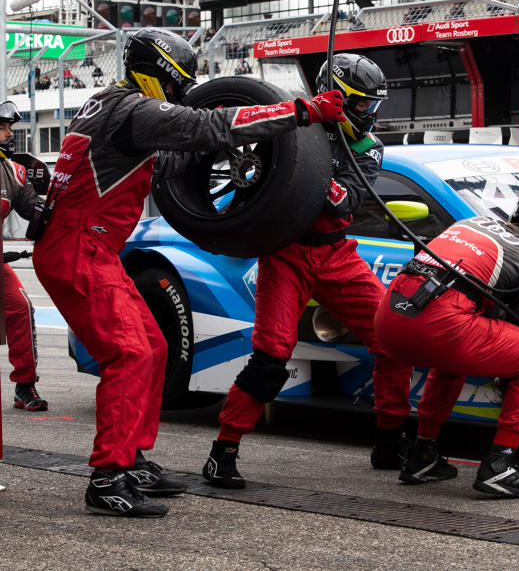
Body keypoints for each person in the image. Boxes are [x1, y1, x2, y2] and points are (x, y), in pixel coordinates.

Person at [32, 28, 345, 518]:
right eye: (179, 83)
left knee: (155, 347)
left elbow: (176, 159)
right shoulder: (134, 110)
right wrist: (300, 112)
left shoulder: (109, 106)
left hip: (87, 247)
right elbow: (210, 126)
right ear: (160, 74)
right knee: (131, 353)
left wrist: (233, 153)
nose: (182, 92)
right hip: (77, 249)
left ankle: (132, 457)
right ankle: (108, 476)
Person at [201, 53, 416, 489]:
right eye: (360, 105)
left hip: (337, 253)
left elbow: (346, 201)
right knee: (271, 358)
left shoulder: (368, 147)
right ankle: (223, 451)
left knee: (394, 338)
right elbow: (250, 172)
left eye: (373, 106)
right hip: (285, 254)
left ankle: (390, 441)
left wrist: (315, 172)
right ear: (336, 95)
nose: (368, 115)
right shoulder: (290, 123)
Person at [373, 188, 519, 499]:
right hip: (439, 325)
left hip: (388, 319)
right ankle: (500, 465)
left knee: (453, 361)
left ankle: (422, 454)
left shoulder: (471, 222)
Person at [0, 101, 47, 411]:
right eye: (3, 128)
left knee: (21, 308)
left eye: (10, 129)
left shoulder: (13, 172)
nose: (8, 135)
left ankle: (24, 386)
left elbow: (36, 213)